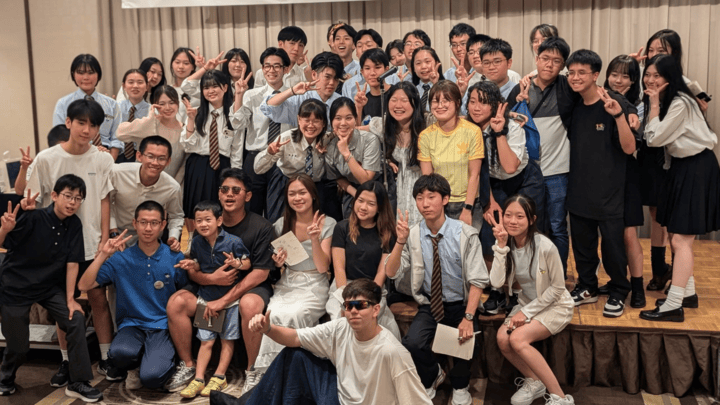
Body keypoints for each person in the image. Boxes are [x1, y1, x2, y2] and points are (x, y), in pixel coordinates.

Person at [210, 279, 431, 405]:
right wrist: (268, 329)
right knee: (294, 355)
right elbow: (295, 337)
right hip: (339, 395)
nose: (353, 311)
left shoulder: (392, 352)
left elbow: (418, 401)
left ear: (376, 310)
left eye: (360, 306)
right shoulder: (341, 327)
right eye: (348, 306)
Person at [27, 98, 116, 386]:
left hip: (92, 243)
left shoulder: (102, 159)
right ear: (68, 123)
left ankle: (106, 356)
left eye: (93, 125)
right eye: (81, 123)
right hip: (56, 248)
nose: (87, 130)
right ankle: (66, 361)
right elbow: (33, 200)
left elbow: (104, 199)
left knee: (98, 299)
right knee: (63, 307)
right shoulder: (46, 158)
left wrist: (104, 239)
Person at [165, 168, 276, 394]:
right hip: (209, 288)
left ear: (248, 195)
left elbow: (260, 273)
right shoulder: (205, 223)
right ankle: (189, 365)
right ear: (218, 193)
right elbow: (195, 268)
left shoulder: (262, 227)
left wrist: (223, 301)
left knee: (250, 305)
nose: (229, 194)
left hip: (248, 287)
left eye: (236, 190)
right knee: (176, 302)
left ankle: (252, 370)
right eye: (224, 189)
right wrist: (209, 278)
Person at [385, 173, 488, 405]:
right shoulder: (412, 234)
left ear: (445, 199)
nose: (425, 203)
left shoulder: (465, 234)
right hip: (431, 303)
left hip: (461, 303)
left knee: (465, 339)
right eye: (420, 198)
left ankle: (461, 387)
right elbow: (391, 272)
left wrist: (468, 317)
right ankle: (433, 374)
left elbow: (478, 280)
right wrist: (399, 241)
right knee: (412, 343)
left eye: (431, 197)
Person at [0, 175, 102, 402]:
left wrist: (70, 299)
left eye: (78, 198)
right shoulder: (32, 217)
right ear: (54, 196)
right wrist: (4, 230)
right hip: (15, 287)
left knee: (75, 319)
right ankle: (5, 378)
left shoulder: (74, 224)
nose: (72, 202)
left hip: (48, 287)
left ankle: (78, 382)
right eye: (68, 196)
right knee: (19, 346)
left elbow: (72, 263)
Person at [639, 55, 720, 322]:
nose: (651, 80)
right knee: (676, 233)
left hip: (696, 167)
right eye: (648, 74)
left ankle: (673, 305)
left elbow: (654, 138)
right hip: (682, 168)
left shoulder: (680, 102)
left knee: (680, 240)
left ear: (670, 77)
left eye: (657, 75)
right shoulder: (674, 98)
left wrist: (653, 104)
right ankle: (687, 293)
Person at [78, 201, 187, 390]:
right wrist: (103, 255)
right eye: (143, 222)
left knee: (152, 378)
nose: (148, 228)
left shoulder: (174, 256)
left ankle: (162, 358)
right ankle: (136, 365)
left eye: (154, 223)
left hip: (162, 326)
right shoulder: (121, 258)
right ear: (134, 223)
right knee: (119, 354)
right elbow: (84, 285)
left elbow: (186, 294)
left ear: (163, 225)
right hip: (131, 325)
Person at [564, 50, 636, 317]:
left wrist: (618, 115)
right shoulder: (573, 104)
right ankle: (588, 287)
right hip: (578, 189)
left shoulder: (613, 103)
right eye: (571, 72)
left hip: (609, 192)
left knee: (613, 248)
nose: (575, 77)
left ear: (595, 75)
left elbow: (629, 149)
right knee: (582, 246)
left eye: (582, 72)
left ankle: (619, 290)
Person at [466, 81, 546, 314]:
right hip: (492, 184)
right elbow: (479, 170)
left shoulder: (512, 126)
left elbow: (510, 166)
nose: (476, 108)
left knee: (521, 234)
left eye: (483, 102)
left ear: (495, 105)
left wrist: (499, 132)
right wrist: (489, 200)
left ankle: (520, 294)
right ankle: (498, 290)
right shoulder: (469, 129)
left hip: (524, 181)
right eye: (472, 102)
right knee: (489, 235)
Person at [489, 195, 575, 405]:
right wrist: (500, 246)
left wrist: (525, 313)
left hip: (556, 305)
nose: (512, 221)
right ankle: (534, 381)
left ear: (532, 219)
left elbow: (558, 288)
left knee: (517, 339)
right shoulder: (507, 242)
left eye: (520, 216)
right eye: (508, 215)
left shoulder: (545, 246)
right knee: (502, 339)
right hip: (527, 303)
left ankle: (560, 398)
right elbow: (496, 282)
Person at [506, 37, 577, 276]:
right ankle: (529, 277)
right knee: (528, 226)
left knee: (557, 227)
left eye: (556, 61)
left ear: (563, 65)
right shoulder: (521, 88)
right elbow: (505, 120)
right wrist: (519, 105)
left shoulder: (568, 87)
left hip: (559, 171)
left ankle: (558, 277)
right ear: (536, 59)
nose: (549, 64)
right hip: (528, 172)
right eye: (545, 58)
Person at [254, 175, 336, 372]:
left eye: (302, 193)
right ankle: (271, 370)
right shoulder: (281, 223)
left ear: (313, 195)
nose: (297, 198)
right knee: (273, 314)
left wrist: (314, 239)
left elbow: (323, 267)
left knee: (296, 314)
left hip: (315, 283)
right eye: (292, 194)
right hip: (288, 282)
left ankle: (296, 369)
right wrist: (278, 262)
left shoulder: (328, 223)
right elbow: (280, 263)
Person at [177, 201, 252, 398]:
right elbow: (197, 264)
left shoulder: (233, 241)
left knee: (227, 340)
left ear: (219, 221)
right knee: (206, 341)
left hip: (230, 300)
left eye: (207, 220)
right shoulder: (196, 242)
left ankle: (219, 376)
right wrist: (191, 265)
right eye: (199, 220)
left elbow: (248, 263)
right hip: (207, 299)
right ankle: (198, 379)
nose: (203, 224)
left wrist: (237, 263)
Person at [327, 181, 401, 339]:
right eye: (360, 201)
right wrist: (347, 301)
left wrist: (368, 298)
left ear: (379, 207)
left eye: (371, 204)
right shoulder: (342, 228)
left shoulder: (387, 233)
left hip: (372, 289)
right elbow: (339, 269)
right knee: (343, 324)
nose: (363, 207)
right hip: (344, 287)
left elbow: (381, 273)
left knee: (388, 331)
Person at [602, 55, 646, 308]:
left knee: (628, 234)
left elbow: (632, 145)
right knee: (609, 236)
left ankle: (637, 286)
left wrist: (627, 110)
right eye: (614, 74)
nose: (618, 80)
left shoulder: (637, 106)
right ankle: (617, 281)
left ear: (633, 80)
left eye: (625, 76)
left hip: (627, 175)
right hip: (604, 176)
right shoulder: (599, 98)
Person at [180, 69, 244, 237]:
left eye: (215, 86)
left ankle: (220, 242)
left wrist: (235, 175)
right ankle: (194, 242)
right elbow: (187, 146)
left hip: (223, 167)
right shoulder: (196, 112)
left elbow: (236, 148)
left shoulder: (234, 115)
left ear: (225, 88)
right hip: (198, 165)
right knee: (197, 207)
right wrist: (191, 120)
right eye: (206, 87)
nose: (211, 91)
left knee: (220, 209)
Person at [232, 47, 291, 221]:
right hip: (255, 157)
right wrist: (238, 95)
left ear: (286, 69)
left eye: (277, 66)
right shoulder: (251, 95)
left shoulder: (294, 95)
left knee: (279, 212)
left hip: (283, 159)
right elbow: (237, 124)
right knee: (251, 211)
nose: (271, 70)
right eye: (267, 66)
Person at [418, 80, 484, 229]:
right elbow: (428, 178)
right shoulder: (425, 136)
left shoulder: (473, 131)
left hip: (468, 203)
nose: (440, 106)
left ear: (457, 103)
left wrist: (467, 209)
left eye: (446, 100)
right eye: (435, 101)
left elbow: (475, 175)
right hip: (440, 204)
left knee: (466, 243)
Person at [253, 99, 329, 219]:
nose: (311, 125)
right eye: (306, 120)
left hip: (315, 186)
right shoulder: (286, 138)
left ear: (324, 123)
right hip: (285, 183)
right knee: (280, 223)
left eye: (316, 121)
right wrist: (269, 153)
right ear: (298, 120)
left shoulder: (328, 139)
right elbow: (258, 169)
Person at [108, 136, 184, 250]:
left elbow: (176, 216)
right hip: (116, 233)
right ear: (139, 156)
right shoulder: (117, 173)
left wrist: (173, 237)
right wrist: (113, 233)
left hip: (150, 240)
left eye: (161, 158)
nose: (155, 163)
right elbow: (106, 204)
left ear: (168, 161)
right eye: (150, 156)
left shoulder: (172, 187)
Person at [369, 82, 425, 226]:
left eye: (404, 100)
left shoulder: (427, 125)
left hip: (421, 188)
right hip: (398, 190)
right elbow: (356, 131)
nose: (398, 105)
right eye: (394, 100)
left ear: (414, 103)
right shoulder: (385, 126)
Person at [53, 54, 122, 159]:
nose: (86, 77)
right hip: (75, 155)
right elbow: (60, 138)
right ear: (73, 75)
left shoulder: (112, 104)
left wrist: (110, 160)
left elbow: (117, 137)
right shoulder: (63, 104)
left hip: (106, 154)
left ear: (98, 75)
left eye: (91, 72)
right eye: (80, 73)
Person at [324, 98, 382, 218]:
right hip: (350, 190)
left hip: (376, 189)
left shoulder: (369, 139)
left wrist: (346, 153)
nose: (343, 123)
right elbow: (337, 177)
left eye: (348, 118)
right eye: (338, 118)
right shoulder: (329, 146)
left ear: (355, 119)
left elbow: (366, 180)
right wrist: (356, 194)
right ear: (331, 121)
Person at [117, 85, 187, 183]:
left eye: (172, 103)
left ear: (178, 103)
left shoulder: (185, 130)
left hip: (169, 185)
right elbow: (120, 133)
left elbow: (183, 165)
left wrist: (175, 185)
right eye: (162, 104)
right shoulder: (150, 124)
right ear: (155, 105)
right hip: (140, 182)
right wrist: (148, 119)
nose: (167, 107)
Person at [260, 52, 343, 126]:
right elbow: (268, 107)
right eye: (327, 77)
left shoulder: (342, 103)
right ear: (314, 75)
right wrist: (292, 91)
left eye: (336, 78)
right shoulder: (300, 99)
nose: (332, 82)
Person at [116, 68, 150, 163]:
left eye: (140, 82)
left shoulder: (152, 111)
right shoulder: (116, 108)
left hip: (143, 156)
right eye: (131, 82)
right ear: (124, 86)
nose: (135, 86)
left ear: (147, 86)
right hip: (118, 152)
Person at [352, 48, 392, 124]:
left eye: (377, 67)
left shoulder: (396, 93)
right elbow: (356, 129)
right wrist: (359, 108)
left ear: (386, 69)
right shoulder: (363, 100)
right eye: (367, 68)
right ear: (362, 72)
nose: (372, 73)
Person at [169, 47, 197, 123]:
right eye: (177, 62)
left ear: (193, 67)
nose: (181, 66)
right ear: (172, 64)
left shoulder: (198, 89)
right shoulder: (167, 90)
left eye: (186, 63)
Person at [411, 46, 444, 111]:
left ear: (436, 63)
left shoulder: (447, 89)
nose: (423, 66)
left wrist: (435, 84)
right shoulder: (411, 91)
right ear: (414, 68)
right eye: (418, 63)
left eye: (427, 61)